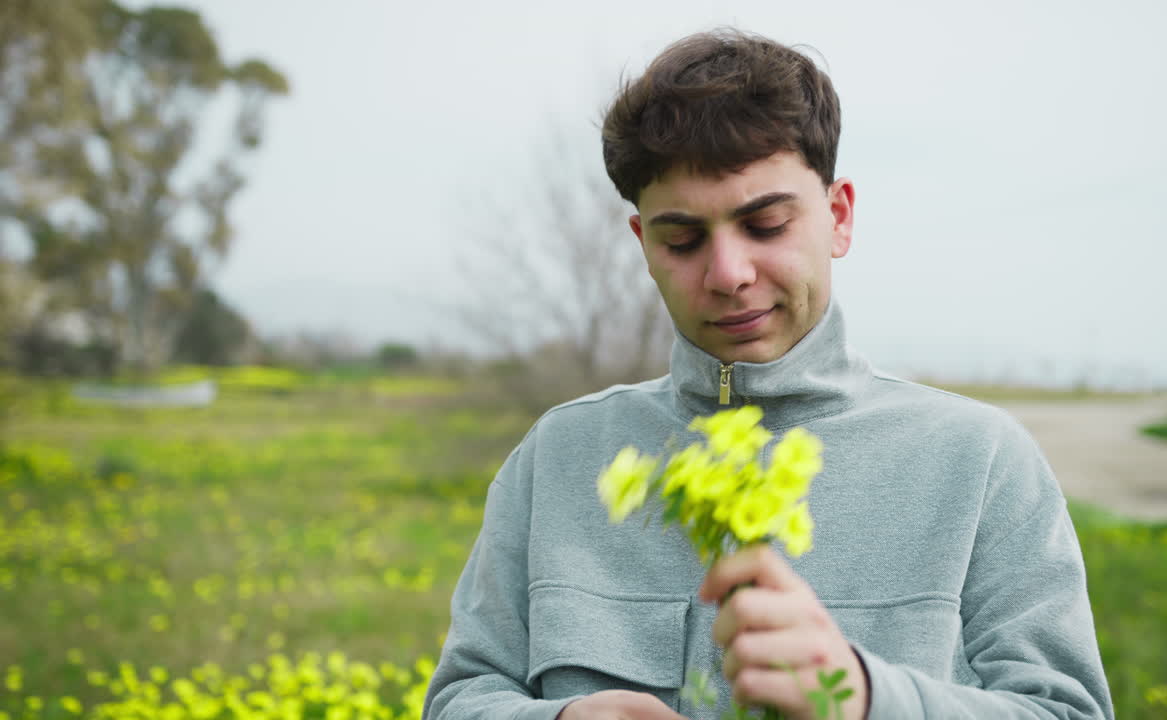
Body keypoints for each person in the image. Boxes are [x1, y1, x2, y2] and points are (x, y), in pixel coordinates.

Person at [423, 28, 1114, 720]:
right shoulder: (558, 458)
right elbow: (459, 699)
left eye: (766, 224)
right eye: (683, 240)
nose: (728, 275)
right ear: (643, 244)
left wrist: (864, 699)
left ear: (838, 217)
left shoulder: (981, 461)